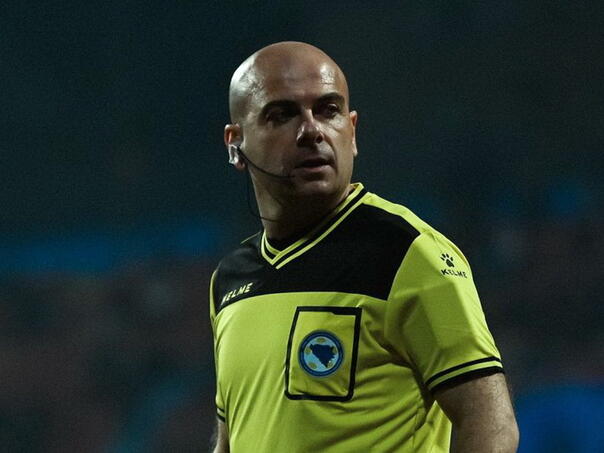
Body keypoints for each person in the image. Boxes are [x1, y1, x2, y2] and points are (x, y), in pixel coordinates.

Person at [209, 41, 519, 452]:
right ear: (235, 144)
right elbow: (231, 439)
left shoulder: (406, 252)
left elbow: (492, 427)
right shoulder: (230, 279)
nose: (311, 131)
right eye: (282, 114)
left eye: (328, 110)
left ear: (352, 132)